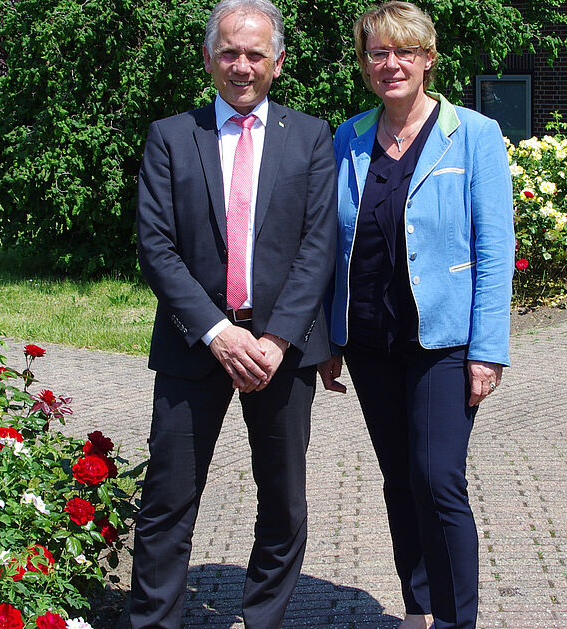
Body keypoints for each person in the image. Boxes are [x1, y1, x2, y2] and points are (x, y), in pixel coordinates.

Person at [130, 0, 336, 625]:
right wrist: (218, 333)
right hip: (196, 345)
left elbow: (318, 244)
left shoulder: (312, 136)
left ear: (277, 62)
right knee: (167, 499)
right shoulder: (171, 135)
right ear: (208, 58)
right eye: (229, 52)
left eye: (254, 54)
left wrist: (274, 338)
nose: (241, 65)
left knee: (283, 501)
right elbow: (156, 247)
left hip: (283, 350)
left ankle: (263, 617)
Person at [318, 2, 514, 628]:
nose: (391, 64)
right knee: (400, 482)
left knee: (437, 480)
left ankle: (458, 620)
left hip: (444, 341)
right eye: (378, 52)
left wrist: (488, 348)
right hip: (372, 340)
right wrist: (329, 336)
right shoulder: (345, 138)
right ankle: (420, 607)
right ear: (364, 63)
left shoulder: (475, 135)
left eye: (405, 51)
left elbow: (494, 247)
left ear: (429, 58)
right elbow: (325, 245)